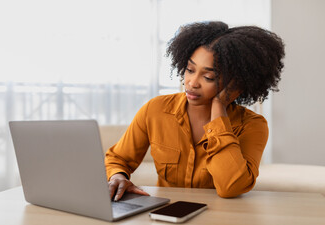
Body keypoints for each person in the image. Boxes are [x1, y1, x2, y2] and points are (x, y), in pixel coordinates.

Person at [105, 21, 285, 200]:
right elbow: (118, 158)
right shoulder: (156, 110)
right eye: (190, 70)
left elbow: (231, 187)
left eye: (208, 77)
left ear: (236, 83)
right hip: (165, 214)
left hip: (220, 220)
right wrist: (118, 176)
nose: (191, 82)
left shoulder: (252, 126)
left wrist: (218, 110)